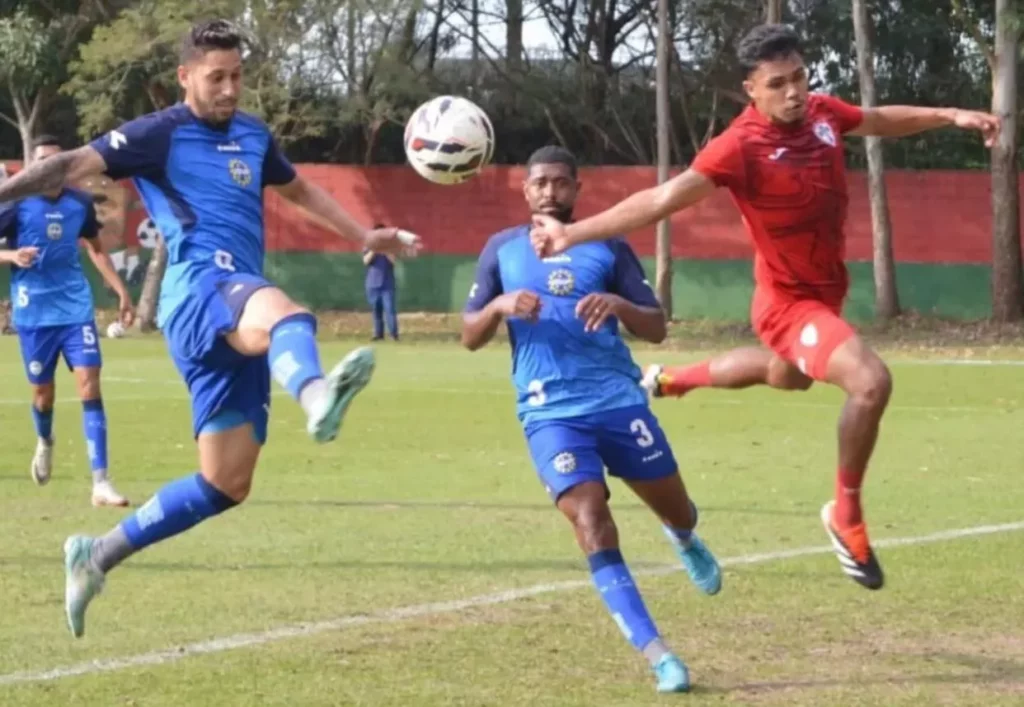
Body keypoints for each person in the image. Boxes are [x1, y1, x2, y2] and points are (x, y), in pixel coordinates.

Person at [529, 24, 1000, 592]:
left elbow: (877, 120)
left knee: (786, 375)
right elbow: (660, 200)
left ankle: (677, 379)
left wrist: (951, 115)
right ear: (751, 90)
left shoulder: (824, 114)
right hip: (787, 304)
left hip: (825, 292)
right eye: (778, 84)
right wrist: (571, 235)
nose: (795, 91)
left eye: (799, 77)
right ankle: (845, 514)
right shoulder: (739, 145)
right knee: (871, 382)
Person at [0, 19, 421, 638]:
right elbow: (67, 165)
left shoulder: (253, 134)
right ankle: (316, 395)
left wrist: (364, 235)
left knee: (225, 481)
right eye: (215, 77)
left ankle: (98, 554)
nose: (229, 90)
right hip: (198, 289)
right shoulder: (157, 134)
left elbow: (299, 189)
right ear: (185, 78)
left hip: (231, 304)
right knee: (289, 315)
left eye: (236, 77)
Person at [462, 145, 721, 694]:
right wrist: (498, 308)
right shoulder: (501, 250)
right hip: (549, 413)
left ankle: (683, 535)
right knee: (590, 519)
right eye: (540, 183)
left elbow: (656, 327)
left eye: (560, 182)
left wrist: (618, 305)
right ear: (526, 190)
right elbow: (469, 334)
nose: (550, 192)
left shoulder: (608, 244)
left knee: (679, 508)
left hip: (617, 403)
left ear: (577, 189)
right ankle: (659, 656)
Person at [0, 134, 135, 507]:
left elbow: (96, 249)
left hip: (75, 309)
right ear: (32, 167)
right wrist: (12, 256)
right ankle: (44, 441)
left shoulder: (79, 203)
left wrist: (121, 291)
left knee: (89, 385)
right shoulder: (15, 204)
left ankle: (101, 482)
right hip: (33, 313)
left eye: (58, 162)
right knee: (43, 395)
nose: (51, 169)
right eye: (43, 162)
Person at [363, 223, 399, 340]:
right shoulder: (369, 246)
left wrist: (384, 249)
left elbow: (393, 261)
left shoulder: (390, 247)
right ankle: (378, 334)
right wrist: (375, 249)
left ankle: (393, 334)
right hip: (372, 284)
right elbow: (366, 261)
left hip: (387, 284)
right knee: (376, 310)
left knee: (389, 310)